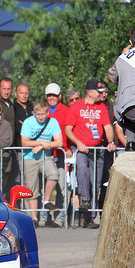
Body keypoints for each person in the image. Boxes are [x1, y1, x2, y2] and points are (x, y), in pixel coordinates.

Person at [64, 79, 117, 228]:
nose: (101, 95)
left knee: (97, 181)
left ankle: (91, 216)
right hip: (80, 148)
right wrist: (79, 143)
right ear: (90, 93)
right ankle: (85, 200)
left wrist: (110, 142)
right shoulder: (76, 106)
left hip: (97, 148)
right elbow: (68, 129)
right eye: (98, 92)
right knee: (82, 169)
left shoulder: (102, 108)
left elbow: (107, 127)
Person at [20, 101, 63, 225]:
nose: (40, 117)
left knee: (54, 175)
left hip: (46, 156)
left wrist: (44, 146)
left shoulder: (52, 122)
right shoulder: (28, 122)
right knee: (32, 188)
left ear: (47, 113)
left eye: (43, 114)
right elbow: (25, 142)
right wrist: (42, 143)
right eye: (38, 114)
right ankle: (34, 217)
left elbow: (59, 142)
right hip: (30, 157)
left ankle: (46, 200)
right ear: (34, 114)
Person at [40, 83, 70, 228]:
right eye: (49, 95)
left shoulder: (66, 110)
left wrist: (67, 148)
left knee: (62, 187)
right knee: (43, 187)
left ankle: (60, 218)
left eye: (54, 95)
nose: (52, 98)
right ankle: (43, 217)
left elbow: (70, 131)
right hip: (44, 154)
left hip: (61, 153)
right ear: (46, 96)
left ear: (59, 96)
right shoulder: (41, 111)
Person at [13, 82, 34, 147]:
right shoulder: (12, 108)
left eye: (26, 93)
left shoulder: (33, 108)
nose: (24, 96)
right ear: (15, 93)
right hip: (18, 147)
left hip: (33, 146)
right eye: (21, 93)